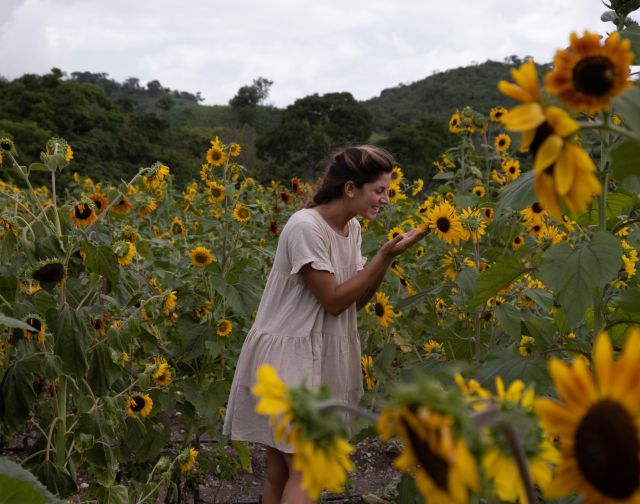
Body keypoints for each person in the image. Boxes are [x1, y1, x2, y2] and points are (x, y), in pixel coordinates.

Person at [223, 145, 426, 503]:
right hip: (290, 357)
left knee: (280, 471)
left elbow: (354, 302)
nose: (387, 200)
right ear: (350, 188)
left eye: (388, 191)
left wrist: (385, 262)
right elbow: (332, 301)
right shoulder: (306, 226)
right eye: (379, 191)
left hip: (317, 353)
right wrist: (382, 257)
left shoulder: (353, 229)